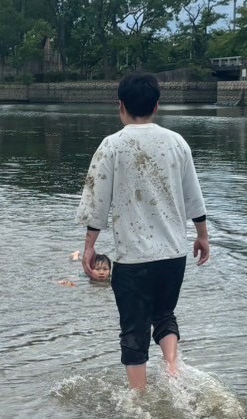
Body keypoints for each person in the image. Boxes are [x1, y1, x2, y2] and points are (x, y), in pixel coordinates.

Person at [78, 71, 210, 390]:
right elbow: (194, 195)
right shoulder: (177, 143)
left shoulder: (112, 145)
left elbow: (97, 201)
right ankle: (173, 368)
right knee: (164, 315)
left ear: (120, 105)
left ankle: (139, 400)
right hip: (174, 254)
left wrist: (89, 246)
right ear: (157, 106)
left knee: (134, 332)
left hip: (133, 259)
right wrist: (203, 236)